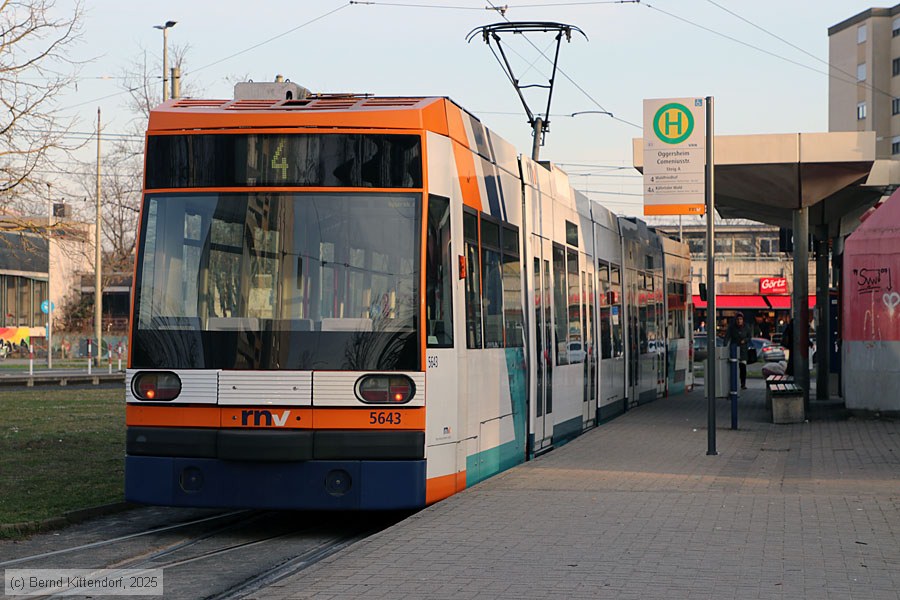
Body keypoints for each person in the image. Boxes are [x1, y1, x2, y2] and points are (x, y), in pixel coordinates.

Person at [725, 312, 753, 389]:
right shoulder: (732, 327)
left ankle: (743, 383)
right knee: (733, 367)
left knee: (743, 368)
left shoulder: (746, 327)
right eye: (738, 319)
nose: (739, 321)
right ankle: (732, 383)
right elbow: (727, 336)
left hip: (743, 350)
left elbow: (749, 336)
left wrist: (745, 340)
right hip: (734, 349)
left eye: (740, 319)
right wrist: (725, 346)